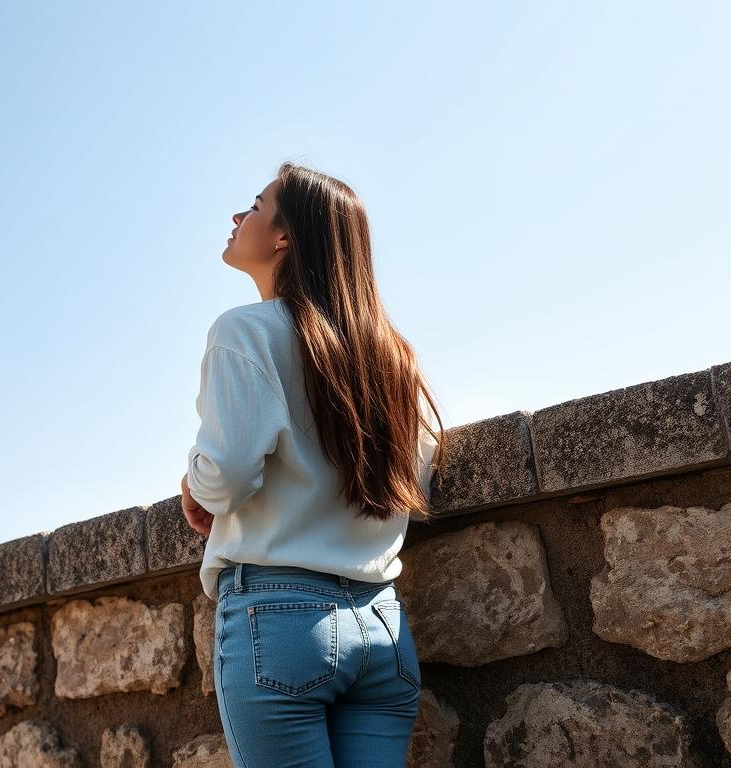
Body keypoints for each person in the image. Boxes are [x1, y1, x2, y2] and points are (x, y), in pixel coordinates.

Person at [180, 161, 446, 768]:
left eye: (253, 204)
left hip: (279, 622)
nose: (236, 215)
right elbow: (414, 479)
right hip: (381, 625)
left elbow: (223, 478)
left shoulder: (244, 333)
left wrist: (193, 480)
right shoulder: (393, 357)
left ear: (284, 237)